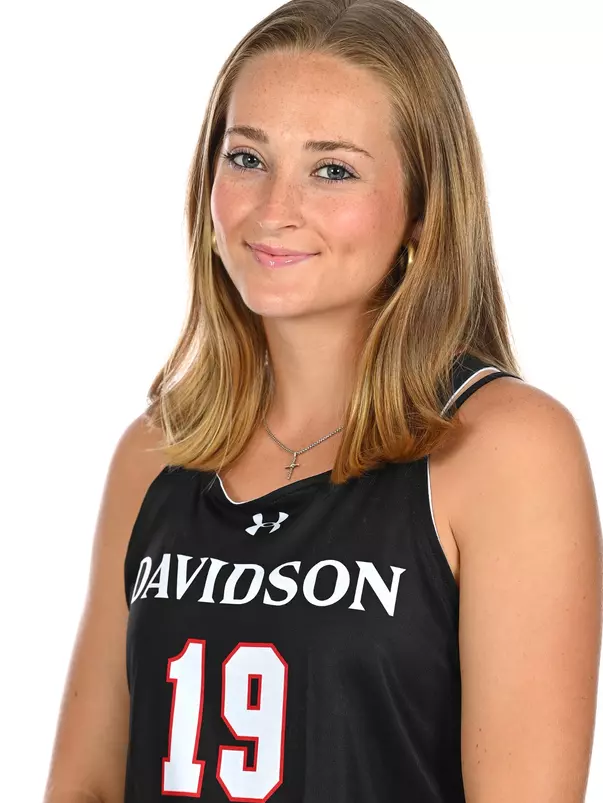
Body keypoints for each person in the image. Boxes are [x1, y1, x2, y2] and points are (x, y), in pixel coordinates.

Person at [43, 1, 602, 802]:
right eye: (246, 158)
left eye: (332, 169)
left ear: (421, 208)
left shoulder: (505, 449)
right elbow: (86, 783)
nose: (275, 208)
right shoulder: (157, 451)